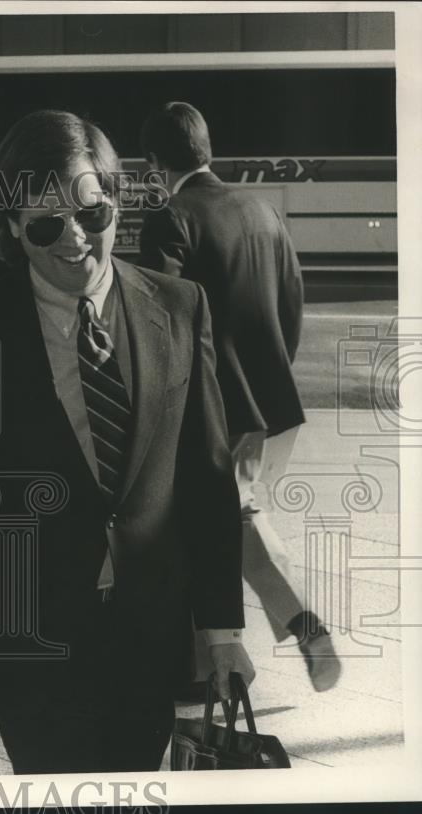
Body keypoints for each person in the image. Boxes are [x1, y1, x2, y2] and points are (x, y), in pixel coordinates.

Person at [0, 110, 253, 775]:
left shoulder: (181, 308)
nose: (74, 240)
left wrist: (223, 627)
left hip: (151, 634)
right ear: (10, 229)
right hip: (26, 640)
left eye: (91, 215)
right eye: (44, 224)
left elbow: (207, 477)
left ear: (117, 203)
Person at [138, 101, 340, 693]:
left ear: (154, 163)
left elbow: (163, 322)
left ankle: (296, 622)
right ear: (206, 148)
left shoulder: (171, 219)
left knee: (226, 521)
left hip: (215, 406)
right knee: (225, 517)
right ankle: (209, 664)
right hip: (273, 403)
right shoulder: (262, 210)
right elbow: (292, 302)